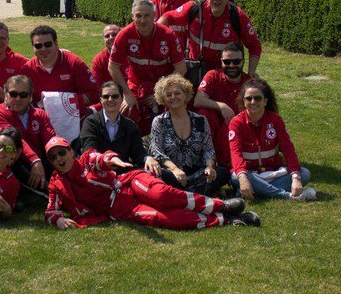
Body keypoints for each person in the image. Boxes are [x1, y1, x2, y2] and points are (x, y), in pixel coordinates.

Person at [44, 136, 257, 230]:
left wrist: (115, 160)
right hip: (121, 208)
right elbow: (51, 211)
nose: (59, 159)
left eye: (61, 152)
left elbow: (102, 159)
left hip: (128, 182)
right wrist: (58, 221)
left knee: (162, 196)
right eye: (53, 157)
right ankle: (226, 220)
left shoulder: (86, 159)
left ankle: (220, 205)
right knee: (164, 218)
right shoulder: (57, 184)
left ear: (71, 151)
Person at [109, 0, 187, 133]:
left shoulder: (168, 35)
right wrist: (127, 94)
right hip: (135, 85)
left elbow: (181, 68)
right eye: (138, 16)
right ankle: (131, 150)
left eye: (147, 16)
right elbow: (112, 66)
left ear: (154, 16)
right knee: (127, 111)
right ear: (132, 16)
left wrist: (161, 94)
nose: (143, 20)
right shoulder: (124, 35)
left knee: (172, 114)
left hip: (164, 85)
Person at [229, 79, 315, 202]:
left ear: (265, 101)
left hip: (273, 173)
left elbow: (288, 150)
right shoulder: (236, 123)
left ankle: (257, 192)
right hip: (250, 174)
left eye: (257, 98)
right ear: (244, 101)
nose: (253, 102)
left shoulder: (275, 120)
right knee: (236, 177)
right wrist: (243, 178)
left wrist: (296, 178)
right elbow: (235, 154)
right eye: (248, 98)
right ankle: (287, 195)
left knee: (305, 173)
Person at [159, 0, 262, 77]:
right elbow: (168, 17)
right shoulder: (194, 9)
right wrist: (155, 35)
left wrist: (251, 72)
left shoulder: (237, 16)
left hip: (224, 73)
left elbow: (254, 45)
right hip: (196, 71)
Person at [19, 25, 99, 142]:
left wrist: (63, 103)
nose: (43, 49)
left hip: (76, 125)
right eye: (38, 45)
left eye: (48, 44)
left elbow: (94, 94)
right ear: (33, 47)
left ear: (56, 44)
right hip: (43, 126)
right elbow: (20, 99)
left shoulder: (74, 63)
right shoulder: (27, 70)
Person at [146, 74, 223, 193]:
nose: (173, 97)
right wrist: (175, 169)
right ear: (163, 99)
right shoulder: (159, 121)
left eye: (177, 93)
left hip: (197, 173)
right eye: (168, 95)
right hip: (171, 174)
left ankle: (182, 194)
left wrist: (209, 166)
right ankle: (197, 194)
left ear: (186, 95)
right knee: (151, 174)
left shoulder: (200, 120)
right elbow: (156, 151)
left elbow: (209, 148)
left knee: (223, 173)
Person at [0, 75, 55, 192]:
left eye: (23, 95)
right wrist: (35, 161)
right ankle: (53, 195)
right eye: (13, 94)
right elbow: (15, 141)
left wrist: (61, 153)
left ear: (30, 96)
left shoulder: (39, 114)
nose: (18, 99)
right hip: (13, 162)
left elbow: (51, 139)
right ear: (5, 93)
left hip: (38, 160)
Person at [193, 43, 251, 177]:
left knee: (232, 127)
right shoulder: (213, 75)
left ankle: (227, 169)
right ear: (221, 62)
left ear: (243, 62)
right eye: (227, 62)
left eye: (236, 61)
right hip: (214, 124)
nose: (231, 65)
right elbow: (198, 100)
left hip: (233, 126)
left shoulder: (248, 82)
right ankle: (203, 163)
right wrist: (222, 106)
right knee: (203, 115)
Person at [79, 81, 150, 173]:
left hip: (123, 174)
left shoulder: (130, 125)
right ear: (100, 100)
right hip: (97, 174)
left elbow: (138, 154)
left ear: (122, 99)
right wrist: (108, 159)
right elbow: (89, 152)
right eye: (106, 96)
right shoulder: (91, 122)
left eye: (115, 96)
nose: (110, 99)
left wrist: (147, 158)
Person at [89, 24, 122, 90]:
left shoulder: (132, 54)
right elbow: (97, 87)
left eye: (114, 34)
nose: (111, 37)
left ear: (121, 35)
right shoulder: (98, 61)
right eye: (107, 36)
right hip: (112, 96)